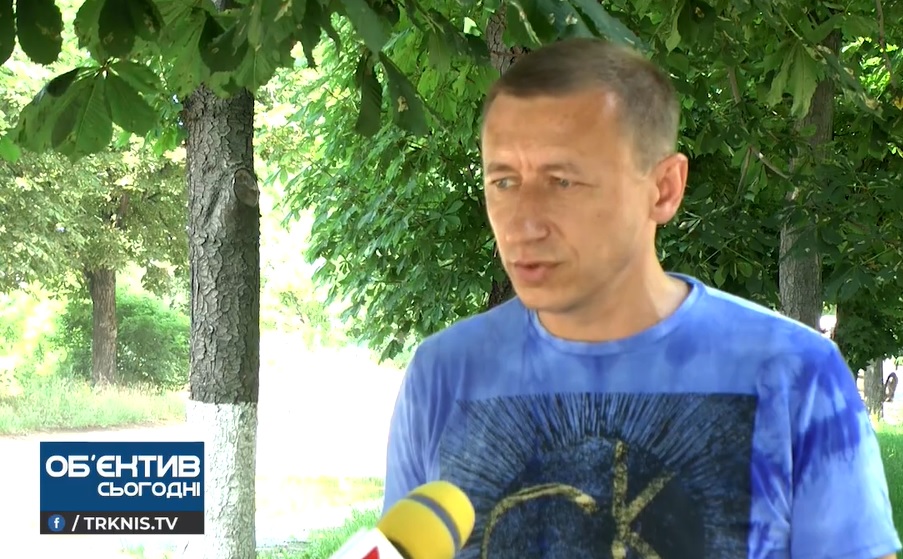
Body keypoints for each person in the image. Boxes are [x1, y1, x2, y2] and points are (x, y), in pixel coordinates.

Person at [381, 37, 901, 559]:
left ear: (664, 189)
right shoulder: (441, 375)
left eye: (562, 181)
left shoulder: (797, 375)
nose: (523, 224)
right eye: (504, 181)